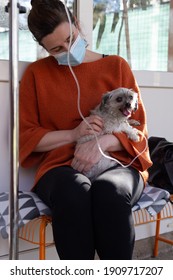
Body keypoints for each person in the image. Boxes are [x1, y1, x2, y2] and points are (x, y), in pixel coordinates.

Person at [19, 0, 152, 260]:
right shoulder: (36, 74)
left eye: (71, 38)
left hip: (118, 163)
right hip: (61, 167)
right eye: (57, 48)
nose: (68, 49)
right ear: (43, 48)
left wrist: (102, 143)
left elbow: (141, 132)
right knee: (73, 192)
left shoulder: (117, 66)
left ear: (78, 24)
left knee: (111, 193)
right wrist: (73, 135)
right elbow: (27, 137)